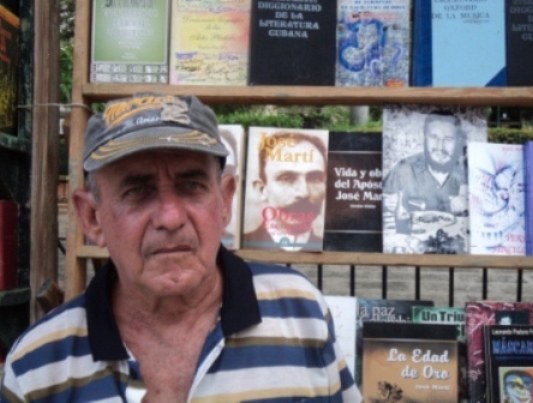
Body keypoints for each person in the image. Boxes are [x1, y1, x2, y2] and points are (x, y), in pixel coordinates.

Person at [0, 94, 360, 402]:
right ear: (92, 217)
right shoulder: (38, 368)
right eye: (137, 191)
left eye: (191, 185)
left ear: (224, 202)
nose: (170, 218)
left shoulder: (300, 315)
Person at [382, 110, 468, 252]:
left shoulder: (467, 173)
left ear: (458, 141)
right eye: (434, 137)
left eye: (448, 139)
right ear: (424, 138)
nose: (440, 147)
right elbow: (385, 221)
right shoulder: (403, 170)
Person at [242, 130, 327, 251]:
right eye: (287, 178)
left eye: (315, 178)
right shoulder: (245, 246)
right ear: (261, 190)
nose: (304, 193)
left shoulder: (331, 248)